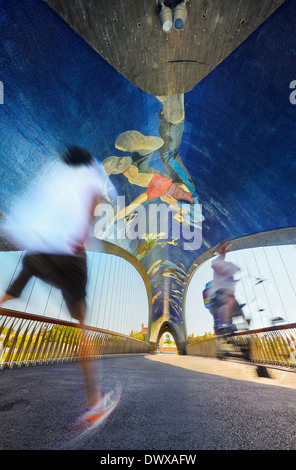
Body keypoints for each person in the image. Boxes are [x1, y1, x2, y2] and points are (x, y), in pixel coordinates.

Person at [0, 145, 121, 432]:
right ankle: (94, 402)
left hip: (36, 250)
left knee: (9, 295)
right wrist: (81, 232)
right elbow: (98, 196)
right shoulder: (94, 170)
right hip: (68, 252)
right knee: (82, 326)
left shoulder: (52, 172)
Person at [208, 240, 249, 334]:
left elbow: (238, 270)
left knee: (238, 307)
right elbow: (217, 268)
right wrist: (225, 272)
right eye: (222, 247)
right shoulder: (216, 261)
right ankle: (225, 324)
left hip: (230, 294)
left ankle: (246, 323)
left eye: (225, 247)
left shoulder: (230, 264)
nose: (224, 250)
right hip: (219, 293)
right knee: (230, 301)